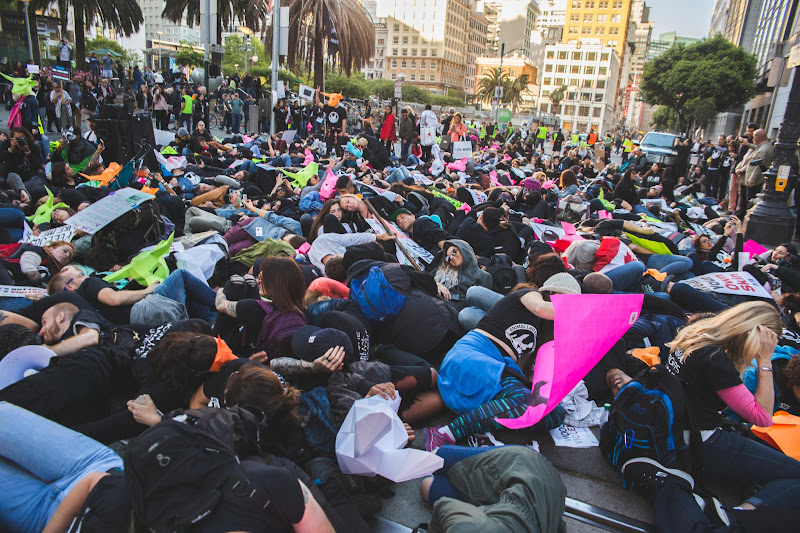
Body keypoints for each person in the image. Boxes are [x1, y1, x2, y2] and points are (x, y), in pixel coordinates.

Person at [664, 302, 800, 510]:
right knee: (796, 472)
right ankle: (743, 513)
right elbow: (763, 418)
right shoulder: (716, 360)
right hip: (697, 442)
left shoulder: (697, 333)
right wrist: (765, 361)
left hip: (670, 426)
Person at [424, 273, 576, 451]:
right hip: (473, 355)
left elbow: (523, 371)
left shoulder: (542, 331)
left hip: (497, 368)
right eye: (567, 299)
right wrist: (581, 311)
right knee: (524, 400)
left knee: (553, 411)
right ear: (553, 293)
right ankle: (447, 432)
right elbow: (540, 308)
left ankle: (485, 421)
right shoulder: (529, 295)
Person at [735, 128, 773, 220]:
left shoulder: (763, 149)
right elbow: (756, 149)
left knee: (751, 201)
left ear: (757, 137)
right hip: (754, 178)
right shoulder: (764, 146)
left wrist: (751, 180)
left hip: (755, 181)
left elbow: (758, 166)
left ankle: (748, 219)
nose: (753, 139)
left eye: (754, 137)